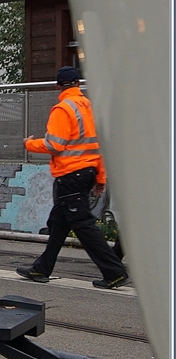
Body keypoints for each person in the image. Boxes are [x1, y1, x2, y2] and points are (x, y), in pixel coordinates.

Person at [16, 66, 130, 289]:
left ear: (58, 85)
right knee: (58, 223)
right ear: (78, 84)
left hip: (70, 174)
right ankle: (42, 268)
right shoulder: (89, 107)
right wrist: (100, 178)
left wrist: (28, 144)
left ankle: (114, 272)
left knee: (84, 226)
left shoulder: (63, 109)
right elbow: (98, 147)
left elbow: (54, 144)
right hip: (86, 173)